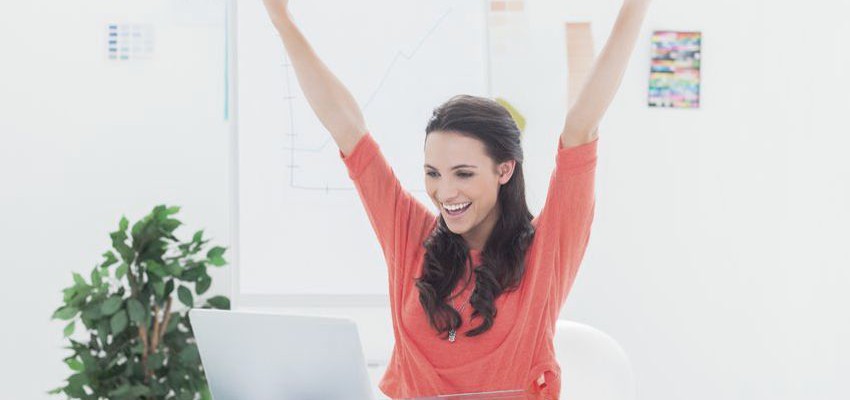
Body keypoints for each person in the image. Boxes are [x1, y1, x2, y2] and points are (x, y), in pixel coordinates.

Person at [261, 0, 652, 398]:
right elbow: (345, 125)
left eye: (463, 174)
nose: (445, 193)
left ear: (504, 170)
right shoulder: (410, 236)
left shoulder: (544, 254)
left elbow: (581, 126)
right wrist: (282, 20)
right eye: (433, 174)